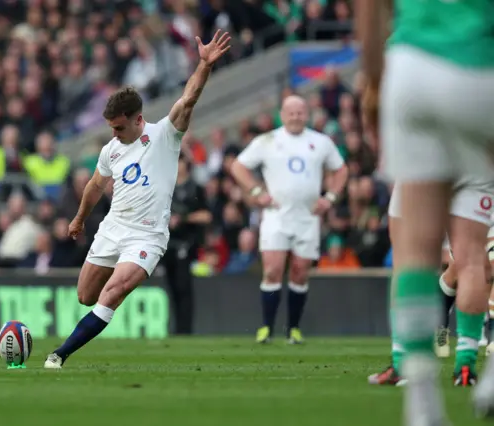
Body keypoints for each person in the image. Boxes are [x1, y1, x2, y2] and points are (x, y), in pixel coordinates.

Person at [43, 30, 231, 369]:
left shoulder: (164, 135)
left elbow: (188, 98)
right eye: (111, 128)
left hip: (147, 236)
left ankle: (59, 354)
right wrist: (80, 219)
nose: (114, 133)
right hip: (113, 228)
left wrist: (204, 66)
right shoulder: (111, 150)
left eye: (119, 127)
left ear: (138, 120)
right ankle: (72, 339)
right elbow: (95, 186)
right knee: (85, 295)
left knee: (111, 295)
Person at [356, 0, 494, 421]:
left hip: (411, 68)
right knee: (472, 257)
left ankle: (420, 400)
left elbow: (370, 9)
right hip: (479, 65)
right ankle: (479, 369)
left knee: (413, 251)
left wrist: (376, 84)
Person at [230, 95, 348, 344]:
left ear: (307, 114)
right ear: (282, 115)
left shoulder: (321, 142)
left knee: (300, 272)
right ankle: (266, 328)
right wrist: (256, 192)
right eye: (291, 112)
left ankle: (293, 329)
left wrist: (331, 197)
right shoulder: (268, 140)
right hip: (277, 216)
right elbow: (238, 167)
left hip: (307, 217)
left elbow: (341, 169)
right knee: (272, 269)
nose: (295, 117)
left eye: (300, 112)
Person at [368, 182, 493, 388]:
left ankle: (402, 364)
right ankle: (465, 367)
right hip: (473, 163)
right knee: (472, 261)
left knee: (408, 260)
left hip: (426, 161)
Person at [163, 154, 212, 334]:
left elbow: (206, 215)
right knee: (172, 287)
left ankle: (186, 329)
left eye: (180, 161)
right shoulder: (166, 187)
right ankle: (176, 328)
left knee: (184, 287)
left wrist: (183, 219)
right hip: (168, 243)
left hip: (187, 242)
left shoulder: (195, 188)